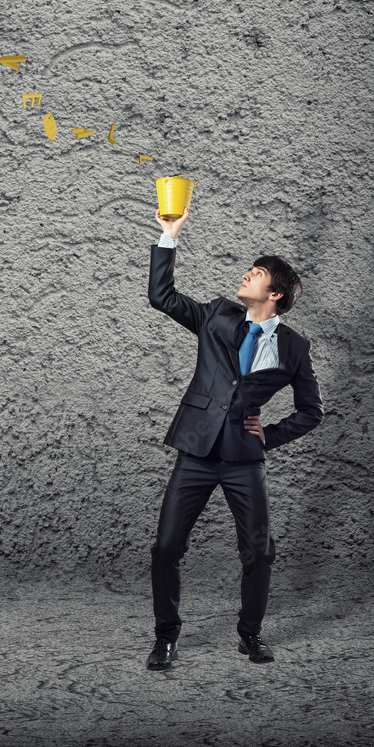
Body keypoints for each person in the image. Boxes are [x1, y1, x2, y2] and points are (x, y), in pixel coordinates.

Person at [145, 206, 324, 669]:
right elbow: (162, 296)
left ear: (276, 293)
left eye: (257, 273)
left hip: (246, 458)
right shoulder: (216, 316)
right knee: (166, 547)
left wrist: (269, 436)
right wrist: (169, 237)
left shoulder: (295, 348)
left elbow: (311, 411)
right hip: (197, 451)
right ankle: (166, 637)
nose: (245, 276)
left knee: (260, 551)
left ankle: (250, 635)